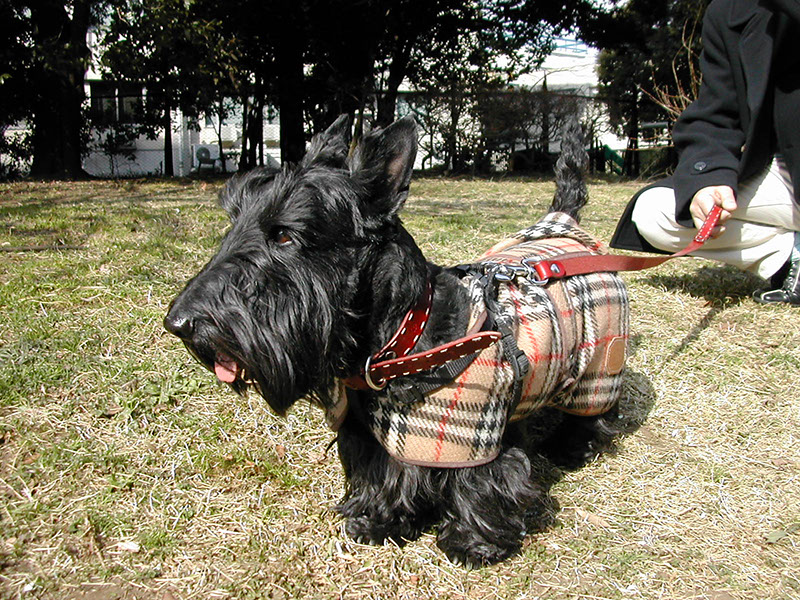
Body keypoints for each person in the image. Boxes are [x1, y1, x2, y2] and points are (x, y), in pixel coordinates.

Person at [610, 0, 800, 305]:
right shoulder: (730, 11)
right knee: (655, 211)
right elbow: (716, 114)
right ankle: (789, 257)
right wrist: (708, 177)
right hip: (785, 172)